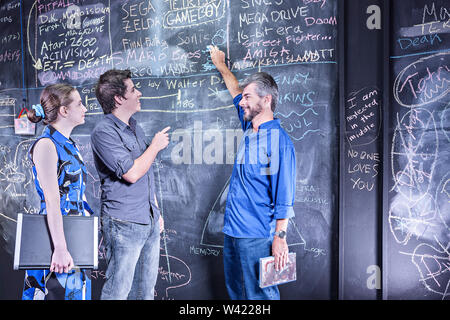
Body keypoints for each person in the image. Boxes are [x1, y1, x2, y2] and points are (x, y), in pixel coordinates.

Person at [209, 46, 297, 300]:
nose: (242, 101)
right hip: (233, 232)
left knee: (261, 296)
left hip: (257, 235)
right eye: (244, 98)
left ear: (266, 100)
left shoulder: (279, 141)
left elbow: (284, 194)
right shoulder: (249, 126)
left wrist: (280, 237)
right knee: (237, 293)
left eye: (248, 97)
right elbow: (235, 90)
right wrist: (221, 65)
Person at [91, 69, 169, 300]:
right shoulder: (103, 132)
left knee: (145, 293)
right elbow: (132, 173)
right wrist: (154, 147)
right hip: (124, 225)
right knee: (118, 292)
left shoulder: (136, 127)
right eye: (133, 89)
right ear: (119, 98)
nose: (139, 93)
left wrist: (155, 211)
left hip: (149, 220)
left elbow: (146, 173)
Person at [22, 83, 93, 300]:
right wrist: (60, 248)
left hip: (75, 236)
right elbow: (53, 201)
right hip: (55, 241)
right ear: (64, 110)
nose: (85, 108)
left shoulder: (69, 145)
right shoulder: (46, 144)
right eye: (79, 104)